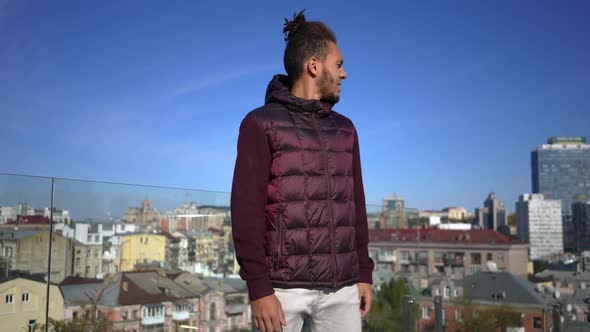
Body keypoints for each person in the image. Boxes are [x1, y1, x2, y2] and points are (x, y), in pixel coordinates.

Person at [231, 11, 374, 332]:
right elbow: (246, 211)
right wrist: (259, 288)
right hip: (282, 289)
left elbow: (357, 207)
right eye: (338, 65)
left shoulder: (345, 129)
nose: (345, 74)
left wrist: (364, 273)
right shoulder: (260, 123)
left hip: (343, 288)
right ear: (313, 65)